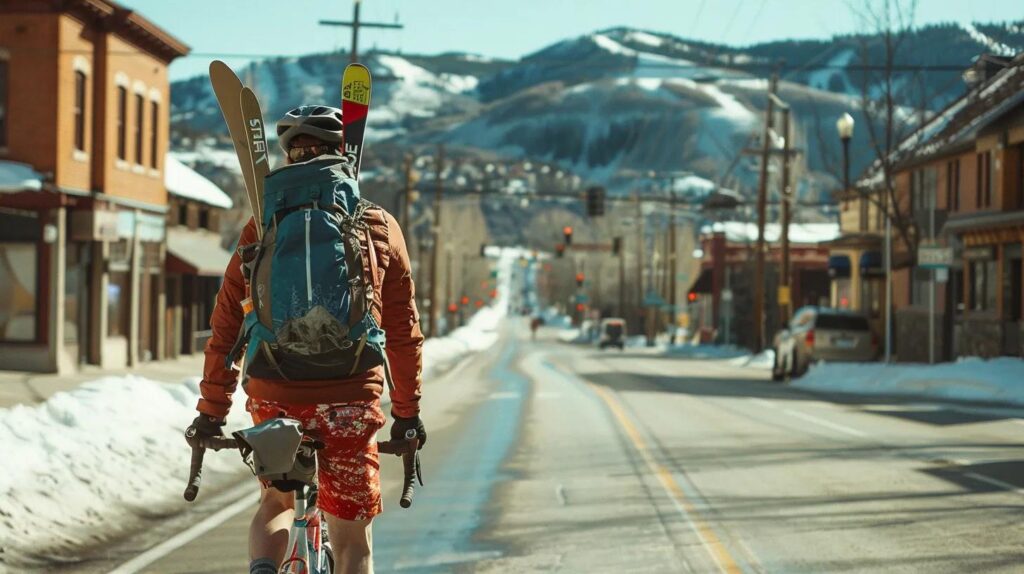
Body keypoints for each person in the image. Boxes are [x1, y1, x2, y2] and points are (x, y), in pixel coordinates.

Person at [186, 105, 425, 574]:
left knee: (275, 503)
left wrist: (211, 410)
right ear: (344, 154)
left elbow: (226, 327)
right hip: (352, 397)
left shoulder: (261, 227)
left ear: (290, 157)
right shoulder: (377, 224)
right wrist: (407, 414)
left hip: (274, 393)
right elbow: (403, 334)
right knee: (353, 539)